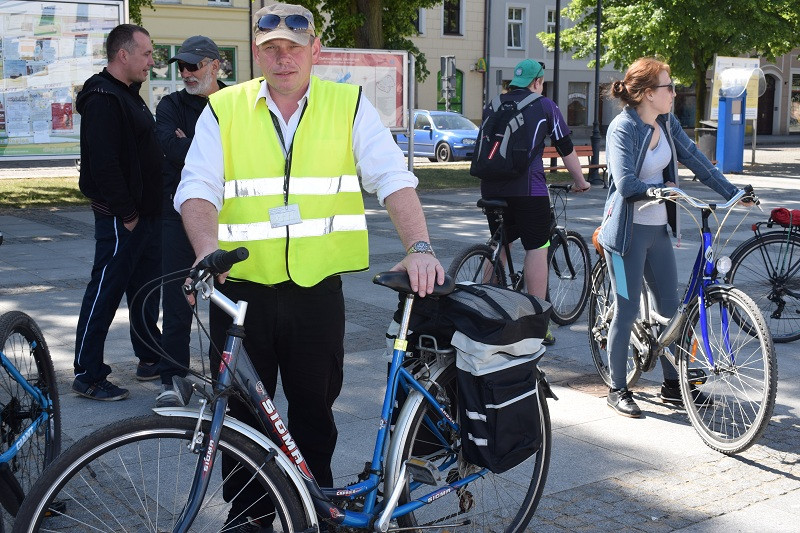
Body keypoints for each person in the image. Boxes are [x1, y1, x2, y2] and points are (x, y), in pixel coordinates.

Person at [173, 3, 444, 528]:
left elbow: (391, 177)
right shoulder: (224, 109)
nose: (283, 58)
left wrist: (420, 246)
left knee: (314, 410)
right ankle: (249, 515)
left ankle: (314, 509)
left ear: (314, 50)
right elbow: (197, 187)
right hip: (241, 290)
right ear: (257, 54)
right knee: (241, 414)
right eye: (271, 49)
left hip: (315, 291)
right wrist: (206, 248)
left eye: (294, 48)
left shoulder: (348, 105)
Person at [597, 57, 741, 418]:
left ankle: (674, 385)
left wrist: (734, 192)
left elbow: (695, 158)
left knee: (671, 309)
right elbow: (625, 183)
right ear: (648, 93)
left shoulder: (665, 121)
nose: (674, 92)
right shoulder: (623, 128)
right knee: (627, 309)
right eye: (669, 86)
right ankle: (617, 388)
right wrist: (659, 188)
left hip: (658, 230)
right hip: (625, 234)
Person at [72, 24, 163, 401]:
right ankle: (87, 373)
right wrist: (127, 214)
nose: (152, 61)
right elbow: (104, 163)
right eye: (147, 53)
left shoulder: (127, 93)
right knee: (105, 292)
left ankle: (150, 357)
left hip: (145, 215)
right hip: (121, 217)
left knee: (145, 290)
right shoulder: (103, 98)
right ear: (123, 55)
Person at [481, 59, 590, 345]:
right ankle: (537, 323)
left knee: (501, 244)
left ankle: (482, 309)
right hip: (528, 189)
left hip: (491, 186)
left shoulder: (494, 104)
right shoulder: (545, 106)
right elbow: (565, 147)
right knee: (537, 247)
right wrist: (580, 181)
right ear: (538, 82)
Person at [154, 35, 226, 408]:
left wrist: (191, 143)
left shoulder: (236, 102)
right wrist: (210, 148)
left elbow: (240, 153)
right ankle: (173, 378)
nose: (185, 72)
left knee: (227, 302)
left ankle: (224, 384)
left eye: (193, 65)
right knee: (178, 298)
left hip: (229, 215)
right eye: (181, 66)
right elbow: (168, 146)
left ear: (215, 65)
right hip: (179, 214)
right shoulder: (170, 105)